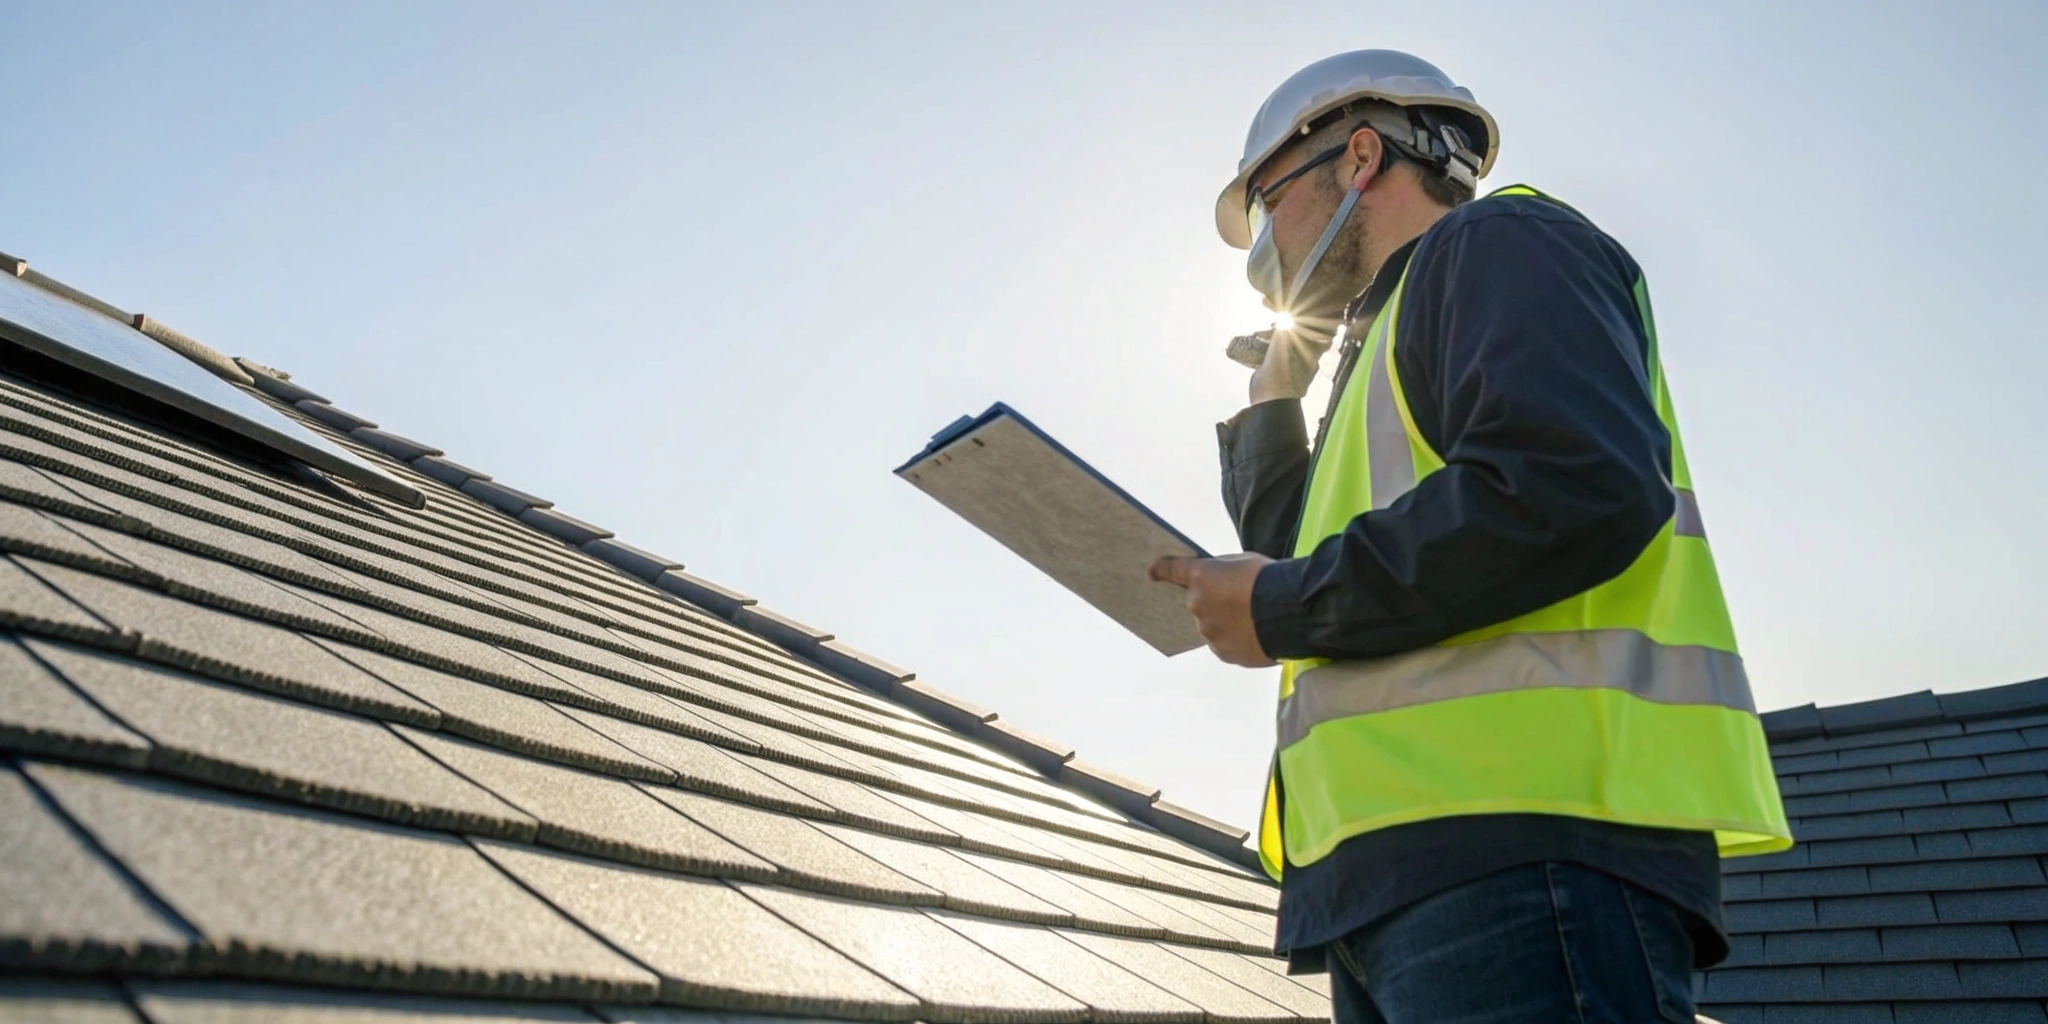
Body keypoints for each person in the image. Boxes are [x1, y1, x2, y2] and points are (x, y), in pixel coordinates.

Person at [1149, 50, 1792, 1023]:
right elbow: (1306, 563)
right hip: (1384, 879)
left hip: (1523, 853)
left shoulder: (1501, 244)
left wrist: (1277, 604)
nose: (1266, 252)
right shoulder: (1379, 343)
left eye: (1268, 208)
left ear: (1358, 156)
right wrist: (1272, 402)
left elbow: (1567, 485)